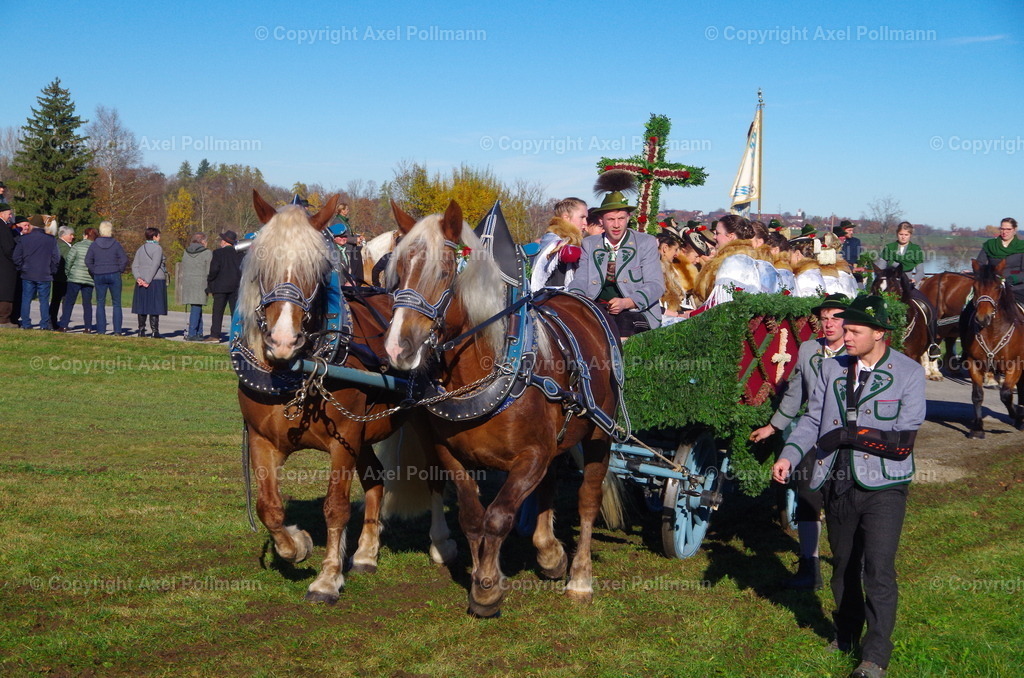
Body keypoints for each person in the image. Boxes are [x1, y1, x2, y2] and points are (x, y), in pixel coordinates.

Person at [772, 295, 924, 678]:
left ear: (880, 333)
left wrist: (845, 434)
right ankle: (845, 634)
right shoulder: (831, 369)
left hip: (886, 484)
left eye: (855, 330)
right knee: (843, 566)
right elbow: (811, 420)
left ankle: (874, 657)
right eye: (846, 328)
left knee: (877, 567)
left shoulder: (908, 373)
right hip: (837, 479)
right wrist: (789, 453)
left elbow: (902, 440)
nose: (846, 335)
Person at [751, 294, 849, 590]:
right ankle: (810, 566)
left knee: (843, 505)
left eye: (836, 317)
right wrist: (773, 426)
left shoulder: (858, 351)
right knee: (808, 498)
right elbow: (795, 393)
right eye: (825, 317)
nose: (829, 323)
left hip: (847, 441)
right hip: (812, 435)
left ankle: (850, 564)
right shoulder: (808, 349)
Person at [568, 190, 664, 339]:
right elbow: (581, 279)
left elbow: (655, 285)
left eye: (621, 218)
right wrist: (576, 300)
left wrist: (628, 302)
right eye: (611, 219)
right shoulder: (589, 244)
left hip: (636, 312)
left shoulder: (645, 242)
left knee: (622, 324)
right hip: (597, 308)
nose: (617, 225)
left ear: (628, 218)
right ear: (601, 221)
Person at [13, 215, 61, 329]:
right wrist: (52, 270)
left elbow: (16, 257)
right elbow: (56, 258)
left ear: (31, 225)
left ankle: (26, 323)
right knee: (44, 301)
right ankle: (44, 324)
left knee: (26, 299)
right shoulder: (50, 239)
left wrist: (21, 267)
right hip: (45, 273)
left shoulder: (24, 238)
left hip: (27, 272)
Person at [530, 197, 587, 292]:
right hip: (549, 299)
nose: (585, 223)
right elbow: (568, 253)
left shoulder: (574, 240)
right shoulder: (552, 237)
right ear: (566, 218)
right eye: (582, 217)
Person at [86, 221, 129, 336]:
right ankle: (117, 331)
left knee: (100, 303)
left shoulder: (94, 244)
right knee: (116, 303)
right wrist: (119, 269)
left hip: (99, 274)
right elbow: (124, 259)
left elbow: (88, 260)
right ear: (111, 230)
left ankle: (101, 330)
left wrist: (95, 270)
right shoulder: (115, 244)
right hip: (114, 273)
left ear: (100, 230)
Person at [205, 230, 244, 342]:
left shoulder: (218, 253)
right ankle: (237, 335)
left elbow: (214, 269)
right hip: (235, 286)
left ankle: (215, 335)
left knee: (217, 312)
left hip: (220, 286)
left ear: (224, 242)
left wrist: (210, 280)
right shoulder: (240, 254)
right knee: (235, 313)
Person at [975, 217, 1023, 302]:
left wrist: (1011, 279)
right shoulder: (990, 245)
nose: (1005, 232)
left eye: (1008, 229)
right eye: (1002, 229)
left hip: (1016, 287)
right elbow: (980, 264)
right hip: (990, 288)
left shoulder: (1022, 246)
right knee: (970, 307)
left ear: (1014, 230)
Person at [59, 227, 98, 332]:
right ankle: (88, 327)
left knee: (69, 302)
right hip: (89, 279)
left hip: (75, 277)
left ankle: (64, 325)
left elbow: (69, 261)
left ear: (85, 235)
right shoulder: (96, 248)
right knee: (87, 304)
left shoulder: (77, 246)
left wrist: (68, 273)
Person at [131, 227, 168, 338]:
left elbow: (134, 265)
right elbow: (155, 265)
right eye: (159, 236)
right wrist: (147, 280)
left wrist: (139, 278)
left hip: (141, 281)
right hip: (155, 280)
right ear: (154, 236)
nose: (160, 238)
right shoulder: (157, 248)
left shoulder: (140, 248)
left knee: (142, 306)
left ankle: (141, 330)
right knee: (154, 306)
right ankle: (154, 331)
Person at [179, 232, 212, 341]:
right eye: (206, 241)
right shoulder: (207, 253)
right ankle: (192, 333)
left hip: (188, 282)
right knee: (196, 307)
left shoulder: (185, 252)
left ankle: (199, 332)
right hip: (201, 282)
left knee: (196, 307)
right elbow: (209, 270)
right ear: (202, 241)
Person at [50, 225, 75, 330]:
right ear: (63, 235)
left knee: (56, 299)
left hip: (58, 277)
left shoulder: (59, 244)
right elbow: (69, 260)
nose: (73, 237)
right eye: (71, 235)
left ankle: (54, 321)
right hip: (62, 277)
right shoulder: (63, 246)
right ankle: (58, 321)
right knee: (62, 300)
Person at [0, 204, 18, 327]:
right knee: (6, 291)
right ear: (1, 214)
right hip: (5, 265)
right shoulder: (4, 228)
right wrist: (16, 259)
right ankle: (4, 319)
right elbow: (8, 248)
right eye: (9, 214)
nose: (10, 216)